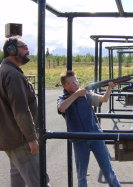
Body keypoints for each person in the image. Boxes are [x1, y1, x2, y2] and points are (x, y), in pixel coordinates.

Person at [0, 36, 50, 187]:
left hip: (12, 138)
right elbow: (21, 111)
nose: (27, 51)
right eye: (24, 47)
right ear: (12, 50)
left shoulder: (4, 70)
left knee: (18, 180)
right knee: (39, 181)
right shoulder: (13, 75)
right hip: (21, 140)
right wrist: (31, 138)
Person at [57, 71, 121, 187]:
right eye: (71, 83)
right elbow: (61, 108)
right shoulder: (64, 98)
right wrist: (76, 95)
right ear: (65, 86)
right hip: (79, 141)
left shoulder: (86, 94)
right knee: (82, 175)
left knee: (108, 170)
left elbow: (104, 99)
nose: (75, 84)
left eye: (76, 81)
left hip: (96, 136)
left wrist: (109, 87)